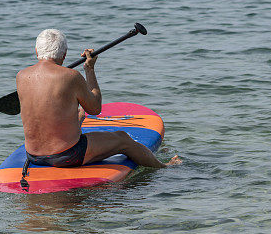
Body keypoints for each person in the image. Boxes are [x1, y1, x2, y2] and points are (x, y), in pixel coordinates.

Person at [16, 29, 181, 169]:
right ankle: (165, 168)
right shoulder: (71, 76)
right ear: (64, 54)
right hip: (66, 156)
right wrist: (89, 69)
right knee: (123, 139)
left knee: (80, 114)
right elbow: (95, 109)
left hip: (33, 156)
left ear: (37, 51)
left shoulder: (21, 76)